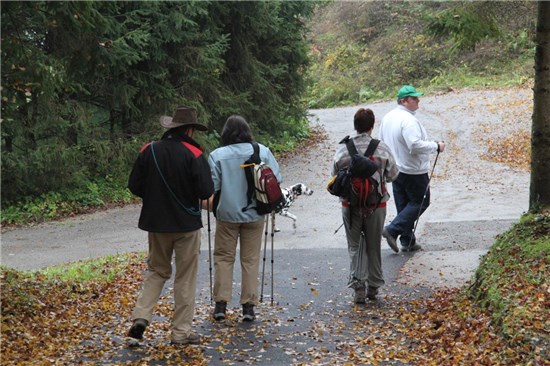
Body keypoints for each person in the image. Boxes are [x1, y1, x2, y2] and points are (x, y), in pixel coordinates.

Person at [127, 106, 214, 345]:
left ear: (171, 127)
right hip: (186, 226)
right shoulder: (194, 154)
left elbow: (134, 185)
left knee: (157, 272)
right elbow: (206, 191)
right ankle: (180, 333)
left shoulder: (149, 150)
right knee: (184, 278)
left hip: (156, 225)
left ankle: (141, 318)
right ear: (189, 130)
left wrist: (154, 195)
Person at [207, 115, 282, 321]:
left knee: (223, 258)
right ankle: (248, 307)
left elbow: (211, 187)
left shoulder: (217, 155)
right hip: (255, 213)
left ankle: (221, 305)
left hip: (226, 215)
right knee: (250, 260)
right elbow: (277, 179)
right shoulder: (262, 151)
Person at [331, 108, 398, 303]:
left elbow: (334, 177)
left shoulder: (343, 149)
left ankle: (358, 287)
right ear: (371, 126)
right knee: (373, 245)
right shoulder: (382, 148)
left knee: (354, 246)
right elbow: (393, 175)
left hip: (349, 205)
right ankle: (374, 287)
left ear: (355, 125)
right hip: (376, 206)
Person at [379, 85, 445, 253]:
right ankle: (392, 230)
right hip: (413, 170)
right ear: (404, 101)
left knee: (404, 206)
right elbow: (414, 145)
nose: (418, 100)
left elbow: (382, 142)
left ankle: (408, 241)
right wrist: (435, 146)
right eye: (414, 98)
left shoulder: (388, 118)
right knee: (420, 202)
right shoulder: (408, 120)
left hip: (395, 169)